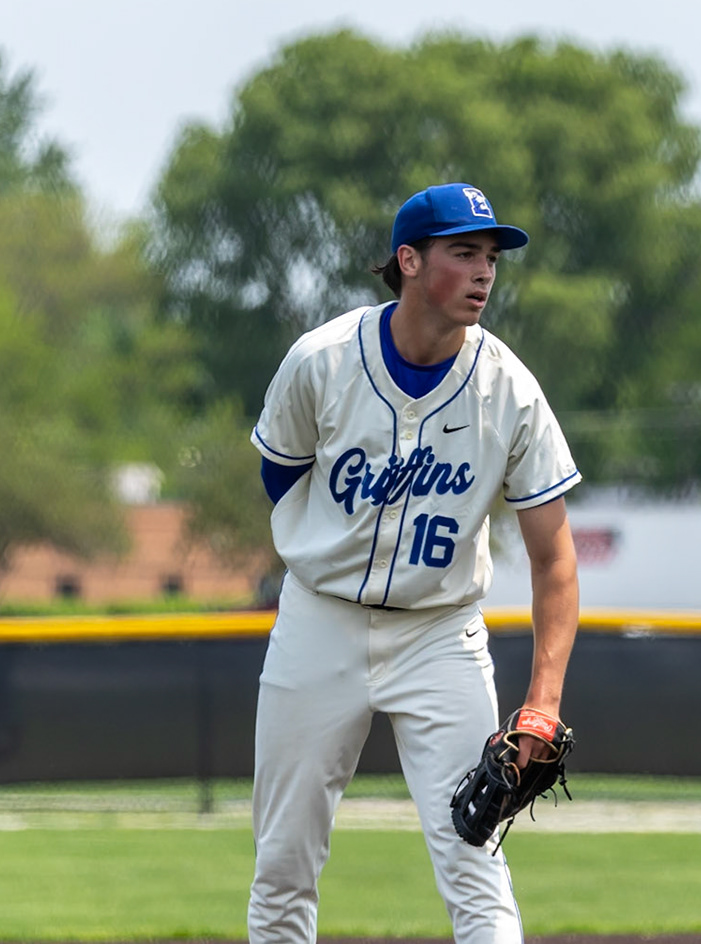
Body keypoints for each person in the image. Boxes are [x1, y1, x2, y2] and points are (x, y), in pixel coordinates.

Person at [247, 182, 581, 944]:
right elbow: (280, 475)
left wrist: (544, 701)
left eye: (491, 256)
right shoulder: (323, 362)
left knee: (474, 861)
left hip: (440, 635)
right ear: (409, 260)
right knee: (284, 863)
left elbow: (555, 560)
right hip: (320, 621)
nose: (484, 271)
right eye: (464, 252)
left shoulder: (510, 391)